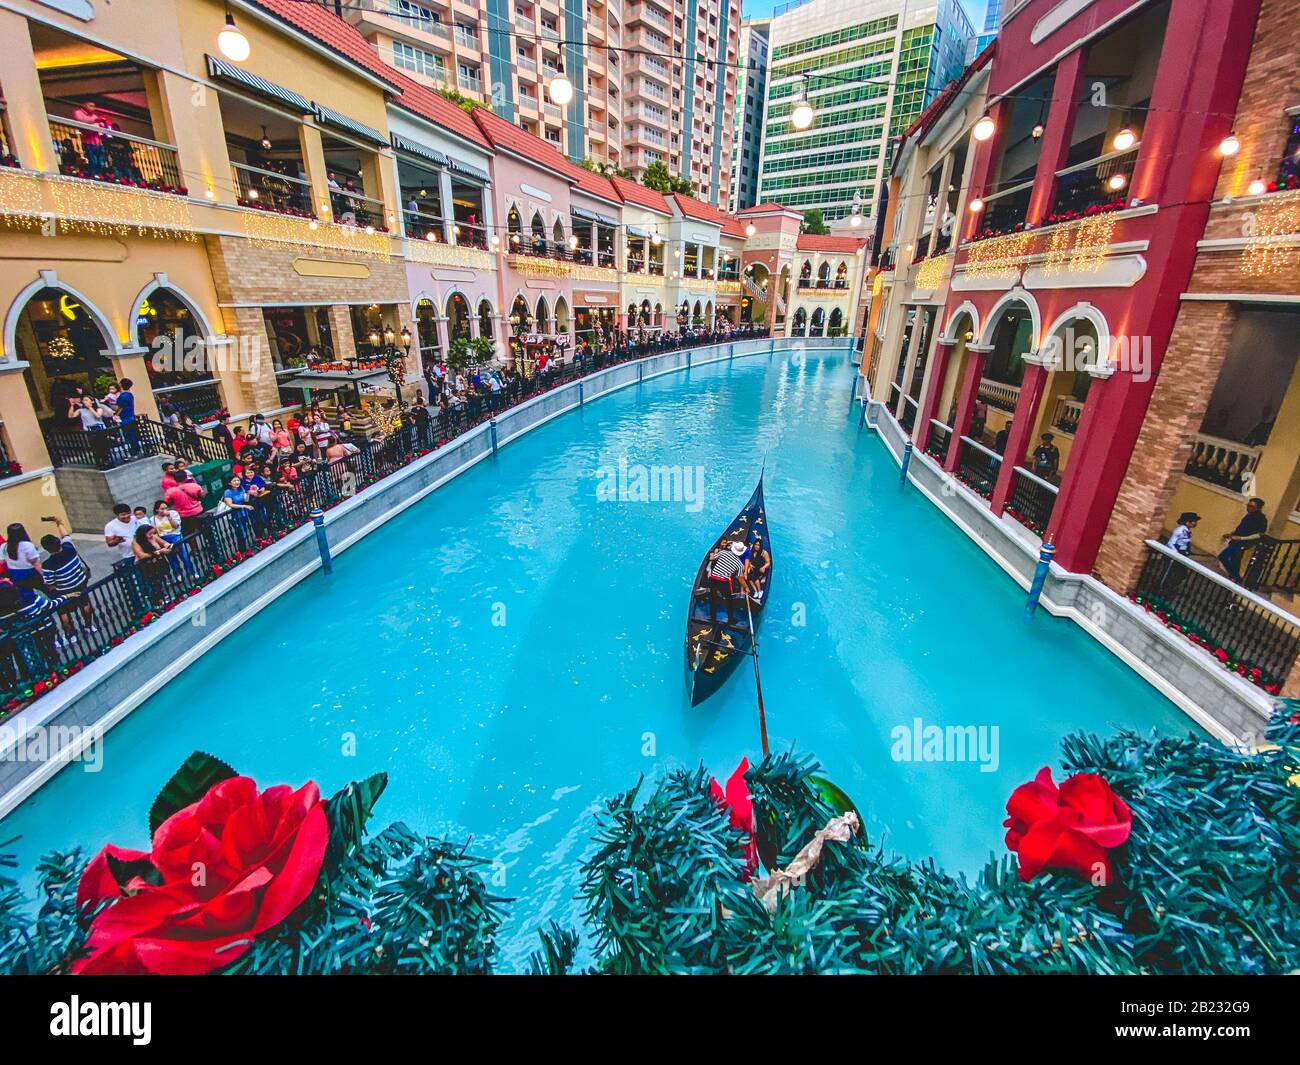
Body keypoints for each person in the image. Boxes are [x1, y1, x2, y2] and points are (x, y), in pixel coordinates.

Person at [38, 517, 94, 645]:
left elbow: (50, 582)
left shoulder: (48, 564)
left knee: (64, 611)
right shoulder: (70, 548)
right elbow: (66, 535)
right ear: (58, 542)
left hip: (64, 590)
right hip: (80, 583)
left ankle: (70, 634)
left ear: (46, 549)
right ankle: (89, 626)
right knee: (85, 603)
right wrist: (59, 523)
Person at [1218, 497, 1268, 582]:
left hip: (1243, 542)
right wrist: (1231, 534)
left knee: (1223, 556)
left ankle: (1234, 576)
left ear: (1258, 508)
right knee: (1235, 560)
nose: (1248, 507)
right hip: (1236, 540)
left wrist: (1242, 538)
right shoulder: (1249, 515)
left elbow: (1260, 534)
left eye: (1251, 506)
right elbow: (1241, 528)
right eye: (1248, 505)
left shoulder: (1261, 518)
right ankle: (1236, 577)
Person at [706, 540, 746, 626]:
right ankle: (730, 620)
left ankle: (712, 619)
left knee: (713, 599)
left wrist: (712, 553)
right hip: (723, 582)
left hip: (713, 579)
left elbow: (711, 558)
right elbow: (740, 578)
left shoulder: (723, 552)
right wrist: (746, 587)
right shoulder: (739, 564)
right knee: (729, 601)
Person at [165, 469, 207, 537]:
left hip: (184, 516)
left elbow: (168, 503)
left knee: (189, 536)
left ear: (175, 479)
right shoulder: (195, 486)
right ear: (185, 478)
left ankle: (194, 547)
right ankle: (210, 545)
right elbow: (203, 495)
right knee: (206, 531)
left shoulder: (170, 491)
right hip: (198, 512)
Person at [71, 100, 109, 173]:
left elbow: (101, 126)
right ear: (84, 105)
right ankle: (93, 176)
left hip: (98, 143)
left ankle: (99, 176)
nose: (93, 108)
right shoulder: (78, 113)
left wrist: (102, 123)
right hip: (88, 142)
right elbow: (81, 122)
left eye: (94, 106)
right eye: (90, 106)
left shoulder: (94, 115)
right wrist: (96, 120)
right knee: (92, 161)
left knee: (100, 163)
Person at [4, 523, 45, 589]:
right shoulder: (27, 545)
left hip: (15, 574)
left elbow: (2, 561)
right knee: (45, 590)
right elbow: (35, 563)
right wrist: (44, 576)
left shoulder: (5, 546)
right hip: (30, 573)